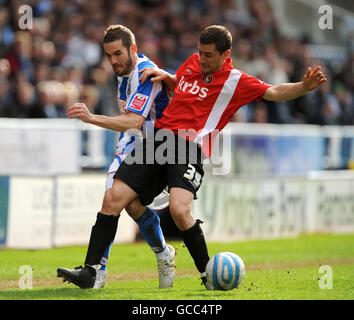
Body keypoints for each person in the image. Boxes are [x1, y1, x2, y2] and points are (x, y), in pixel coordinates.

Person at [59, 24, 327, 290]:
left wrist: (304, 86)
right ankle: (91, 271)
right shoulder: (192, 63)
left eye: (209, 55)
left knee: (178, 209)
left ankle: (206, 274)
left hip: (189, 147)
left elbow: (275, 92)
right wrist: (168, 76)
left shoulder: (237, 81)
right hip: (159, 140)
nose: (202, 59)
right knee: (114, 197)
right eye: (200, 52)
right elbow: (184, 87)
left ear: (226, 54)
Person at [57, 25, 176, 289]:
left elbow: (134, 120)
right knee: (120, 202)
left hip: (156, 149)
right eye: (108, 55)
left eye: (118, 54)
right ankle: (97, 272)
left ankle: (154, 256)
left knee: (120, 202)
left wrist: (91, 117)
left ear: (133, 49)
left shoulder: (147, 74)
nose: (113, 61)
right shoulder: (123, 72)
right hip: (131, 146)